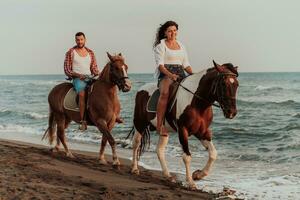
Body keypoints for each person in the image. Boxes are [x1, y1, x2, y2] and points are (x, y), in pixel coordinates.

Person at [154, 21, 193, 136]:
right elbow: (160, 66)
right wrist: (171, 75)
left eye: (175, 31)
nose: (173, 33)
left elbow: (186, 65)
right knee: (165, 93)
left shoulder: (181, 46)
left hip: (181, 74)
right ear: (165, 32)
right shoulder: (160, 46)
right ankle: (159, 126)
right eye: (170, 31)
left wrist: (193, 74)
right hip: (165, 74)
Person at [64, 32, 99, 130]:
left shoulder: (90, 52)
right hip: (77, 79)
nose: (80, 41)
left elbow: (94, 68)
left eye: (81, 39)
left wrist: (97, 73)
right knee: (82, 94)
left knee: (101, 90)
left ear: (85, 40)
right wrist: (78, 75)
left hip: (90, 77)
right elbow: (67, 70)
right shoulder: (71, 52)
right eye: (78, 40)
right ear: (75, 40)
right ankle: (83, 121)